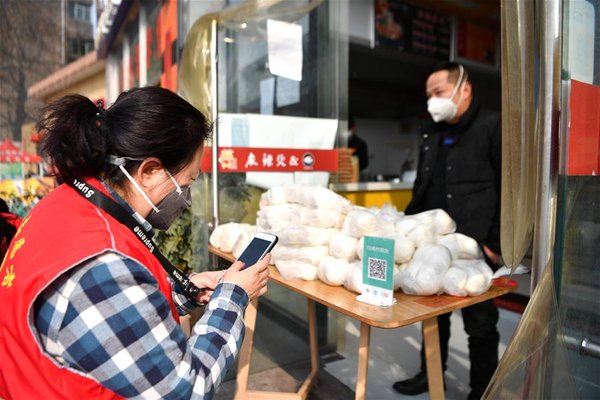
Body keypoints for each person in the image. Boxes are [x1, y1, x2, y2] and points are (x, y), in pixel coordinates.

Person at [0, 87, 270, 399]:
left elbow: (100, 320)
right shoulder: (103, 267)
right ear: (150, 171)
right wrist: (234, 297)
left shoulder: (65, 204)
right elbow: (187, 389)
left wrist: (186, 290)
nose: (187, 200)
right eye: (187, 184)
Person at [392, 62, 501, 400]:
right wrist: (405, 230)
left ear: (463, 89)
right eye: (429, 96)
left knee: (480, 324)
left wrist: (495, 243)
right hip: (430, 243)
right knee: (431, 316)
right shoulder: (432, 130)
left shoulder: (492, 127)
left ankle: (483, 390)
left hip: (474, 244)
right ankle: (430, 374)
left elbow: (509, 187)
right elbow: (423, 185)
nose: (432, 102)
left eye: (438, 93)